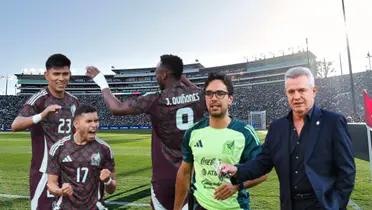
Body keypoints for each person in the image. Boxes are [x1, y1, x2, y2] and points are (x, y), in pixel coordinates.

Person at [219, 67, 356, 210]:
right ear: (286, 93)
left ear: (313, 91)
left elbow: (347, 170)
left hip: (323, 205)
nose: (296, 96)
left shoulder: (333, 123)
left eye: (302, 90)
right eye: (291, 91)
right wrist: (237, 169)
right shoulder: (277, 128)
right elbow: (262, 163)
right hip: (290, 205)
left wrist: (335, 205)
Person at [86, 54, 206, 210]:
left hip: (164, 176)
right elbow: (197, 90)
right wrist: (181, 77)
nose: (156, 77)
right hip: (191, 173)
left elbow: (117, 108)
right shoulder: (199, 95)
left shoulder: (156, 99)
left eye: (157, 73)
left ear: (163, 75)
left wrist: (101, 82)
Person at [174, 72, 268, 210]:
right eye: (209, 94)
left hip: (234, 207)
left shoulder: (244, 133)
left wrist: (237, 186)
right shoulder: (193, 132)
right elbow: (184, 172)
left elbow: (263, 171)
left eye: (220, 93)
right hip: (199, 205)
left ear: (230, 99)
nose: (214, 98)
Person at [11, 54, 79, 210]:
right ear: (47, 75)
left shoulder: (74, 101)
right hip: (44, 172)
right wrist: (41, 116)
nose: (61, 78)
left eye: (65, 74)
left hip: (69, 170)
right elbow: (15, 125)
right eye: (56, 74)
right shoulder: (40, 100)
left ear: (70, 74)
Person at [46, 104, 116, 210]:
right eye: (89, 121)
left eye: (96, 121)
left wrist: (108, 181)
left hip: (95, 207)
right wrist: (61, 191)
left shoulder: (104, 149)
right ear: (76, 124)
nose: (94, 125)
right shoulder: (59, 148)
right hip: (64, 207)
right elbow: (51, 184)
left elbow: (111, 189)